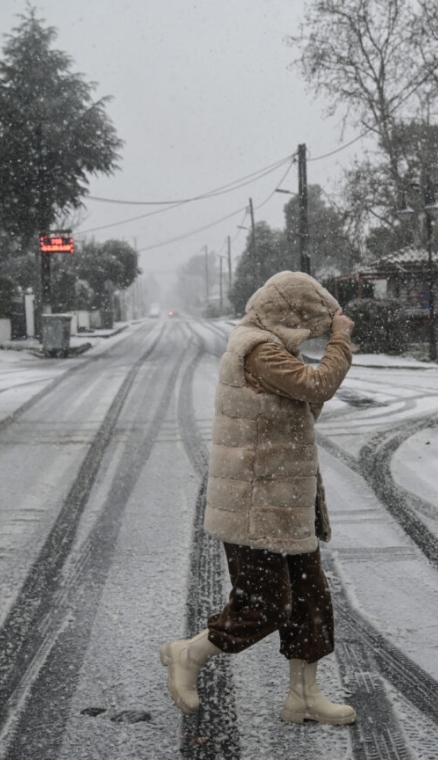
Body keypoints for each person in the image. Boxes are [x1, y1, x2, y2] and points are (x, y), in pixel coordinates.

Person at [160, 270, 356, 726]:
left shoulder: (272, 348)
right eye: (310, 323)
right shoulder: (257, 349)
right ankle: (189, 654)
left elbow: (304, 407)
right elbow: (317, 386)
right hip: (255, 508)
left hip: (288, 503)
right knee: (263, 605)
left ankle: (303, 697)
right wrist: (341, 342)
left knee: (310, 602)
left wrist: (322, 360)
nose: (315, 332)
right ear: (288, 314)